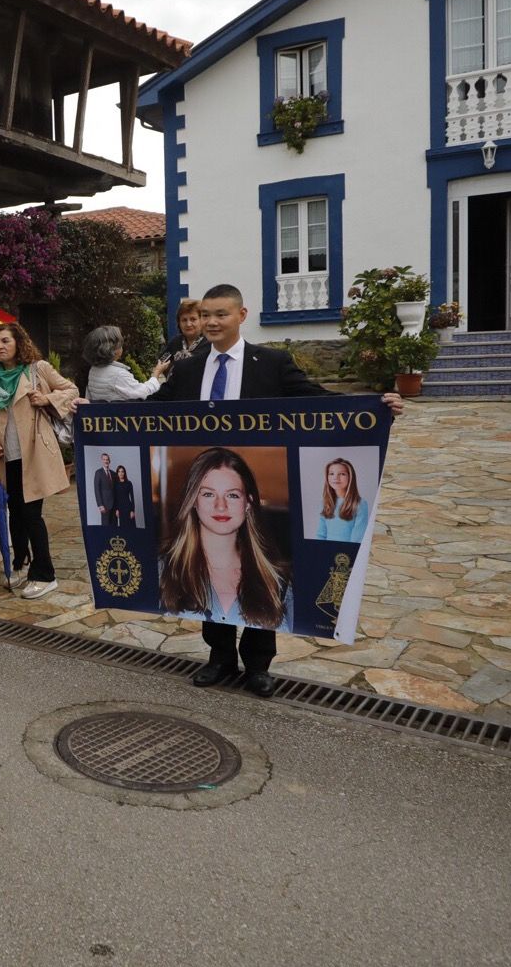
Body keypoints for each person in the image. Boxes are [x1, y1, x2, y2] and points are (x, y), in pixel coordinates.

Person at [154, 283, 403, 695]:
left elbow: (317, 401)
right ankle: (218, 658)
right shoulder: (189, 367)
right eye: (207, 315)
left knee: (255, 575)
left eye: (221, 314)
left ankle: (257, 667)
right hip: (211, 481)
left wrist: (375, 405)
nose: (212, 322)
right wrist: (96, 413)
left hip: (247, 489)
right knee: (211, 570)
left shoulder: (271, 363)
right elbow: (155, 408)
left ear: (242, 315)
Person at [0, 322, 77, 599]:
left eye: (5, 341)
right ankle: (20, 564)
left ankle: (45, 574)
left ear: (18, 343)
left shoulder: (38, 369)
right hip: (5, 457)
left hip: (34, 455)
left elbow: (71, 390)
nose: (0, 346)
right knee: (16, 516)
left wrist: (46, 399)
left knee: (32, 515)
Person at [158, 447, 295, 633]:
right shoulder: (160, 572)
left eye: (232, 495)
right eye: (208, 494)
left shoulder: (280, 581)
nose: (220, 506)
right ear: (193, 501)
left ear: (248, 502)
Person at [83, 324, 170, 402]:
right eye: (120, 344)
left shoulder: (94, 368)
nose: (122, 346)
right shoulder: (118, 374)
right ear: (112, 349)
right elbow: (144, 394)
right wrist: (156, 374)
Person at [316, 457, 371, 543]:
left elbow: (357, 539)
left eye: (342, 474)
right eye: (331, 473)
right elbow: (321, 535)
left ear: (350, 477)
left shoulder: (360, 504)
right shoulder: (325, 503)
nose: (336, 477)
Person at [159, 298, 207, 363]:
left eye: (193, 319)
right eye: (184, 320)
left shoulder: (211, 344)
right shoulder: (175, 343)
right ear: (179, 322)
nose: (188, 324)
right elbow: (160, 363)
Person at [92, 452, 116, 526]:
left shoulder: (113, 473)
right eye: (104, 459)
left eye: (107, 459)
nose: (106, 461)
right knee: (105, 526)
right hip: (104, 505)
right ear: (102, 461)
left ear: (109, 461)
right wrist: (100, 505)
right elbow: (97, 490)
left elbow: (116, 490)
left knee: (115, 526)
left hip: (114, 505)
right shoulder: (98, 473)